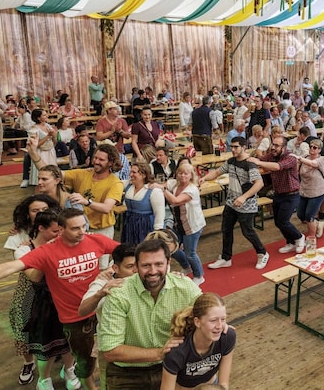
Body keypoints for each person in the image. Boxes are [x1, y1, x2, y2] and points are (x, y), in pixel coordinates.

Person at [0, 208, 120, 390]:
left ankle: (73, 372)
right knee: (80, 357)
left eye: (84, 226)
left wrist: (111, 269)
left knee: (91, 353)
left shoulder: (95, 240)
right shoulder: (47, 251)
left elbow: (126, 252)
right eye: (75, 228)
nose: (82, 232)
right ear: (61, 229)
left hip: (98, 309)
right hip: (72, 317)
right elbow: (10, 267)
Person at [98, 238, 202, 390]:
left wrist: (219, 324)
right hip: (126, 372)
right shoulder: (119, 294)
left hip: (172, 366)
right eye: (146, 265)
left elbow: (207, 312)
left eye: (158, 264)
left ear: (168, 262)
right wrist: (161, 353)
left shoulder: (185, 287)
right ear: (137, 266)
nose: (153, 271)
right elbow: (110, 351)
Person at [9, 209, 80, 390]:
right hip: (32, 299)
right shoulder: (24, 249)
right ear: (41, 228)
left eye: (62, 231)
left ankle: (70, 369)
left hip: (62, 299)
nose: (59, 236)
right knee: (39, 344)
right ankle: (41, 376)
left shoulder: (66, 245)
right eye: (55, 232)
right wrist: (50, 252)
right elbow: (34, 276)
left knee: (68, 339)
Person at [31, 141, 124, 238]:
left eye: (101, 160)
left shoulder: (115, 183)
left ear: (111, 163)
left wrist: (86, 202)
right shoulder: (83, 174)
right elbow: (50, 174)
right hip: (79, 229)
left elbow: (106, 208)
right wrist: (33, 153)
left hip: (101, 231)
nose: (96, 161)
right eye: (95, 158)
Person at [201, 136, 267, 272]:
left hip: (247, 205)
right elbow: (217, 172)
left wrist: (243, 197)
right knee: (226, 229)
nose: (233, 149)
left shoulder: (250, 164)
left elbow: (259, 183)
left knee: (247, 231)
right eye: (232, 147)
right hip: (231, 202)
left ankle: (263, 253)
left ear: (244, 147)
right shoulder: (231, 162)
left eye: (236, 147)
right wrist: (204, 178)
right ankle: (226, 258)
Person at [78, 244, 137, 390]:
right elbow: (82, 310)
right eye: (130, 267)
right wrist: (100, 293)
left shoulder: (143, 279)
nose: (135, 271)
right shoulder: (102, 283)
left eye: (138, 265)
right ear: (116, 268)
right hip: (112, 348)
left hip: (138, 344)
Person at [161, 293, 235, 390]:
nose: (219, 326)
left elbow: (224, 384)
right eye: (213, 320)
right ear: (197, 322)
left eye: (223, 319)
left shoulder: (227, 337)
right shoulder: (177, 352)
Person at [248, 135, 305, 254]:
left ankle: (299, 237)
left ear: (283, 148)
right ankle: (290, 242)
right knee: (278, 222)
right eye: (272, 144)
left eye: (276, 145)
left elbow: (277, 167)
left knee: (283, 221)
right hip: (278, 193)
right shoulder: (272, 156)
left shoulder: (290, 157)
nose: (273, 147)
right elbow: (262, 159)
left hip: (291, 194)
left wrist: (258, 162)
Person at [292, 138, 324, 245]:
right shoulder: (304, 157)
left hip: (317, 191)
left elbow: (313, 163)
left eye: (315, 147)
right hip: (304, 190)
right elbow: (297, 170)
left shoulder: (320, 160)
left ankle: (312, 238)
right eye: (310, 147)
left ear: (319, 150)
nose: (312, 149)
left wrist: (299, 158)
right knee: (300, 214)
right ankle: (317, 223)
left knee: (309, 215)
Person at [121, 161, 165, 246]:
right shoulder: (128, 185)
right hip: (129, 224)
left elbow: (159, 213)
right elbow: (114, 183)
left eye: (134, 172)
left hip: (145, 225)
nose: (131, 175)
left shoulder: (154, 190)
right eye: (130, 172)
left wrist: (157, 233)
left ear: (143, 175)